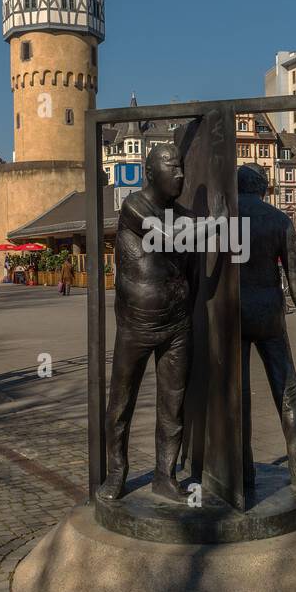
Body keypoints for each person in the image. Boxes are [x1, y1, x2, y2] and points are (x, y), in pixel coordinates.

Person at [100, 143, 194, 503]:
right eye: (172, 167)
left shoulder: (184, 214)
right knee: (121, 403)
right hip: (136, 326)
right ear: (151, 173)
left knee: (173, 406)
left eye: (182, 165)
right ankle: (116, 473)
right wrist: (216, 224)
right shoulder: (135, 207)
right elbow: (167, 239)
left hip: (177, 325)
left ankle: (165, 476)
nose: (180, 173)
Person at [236, 164, 296, 491]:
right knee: (287, 391)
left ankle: (242, 474)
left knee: (238, 397)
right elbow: (294, 275)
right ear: (264, 188)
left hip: (234, 310)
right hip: (268, 309)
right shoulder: (279, 220)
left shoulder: (223, 219)